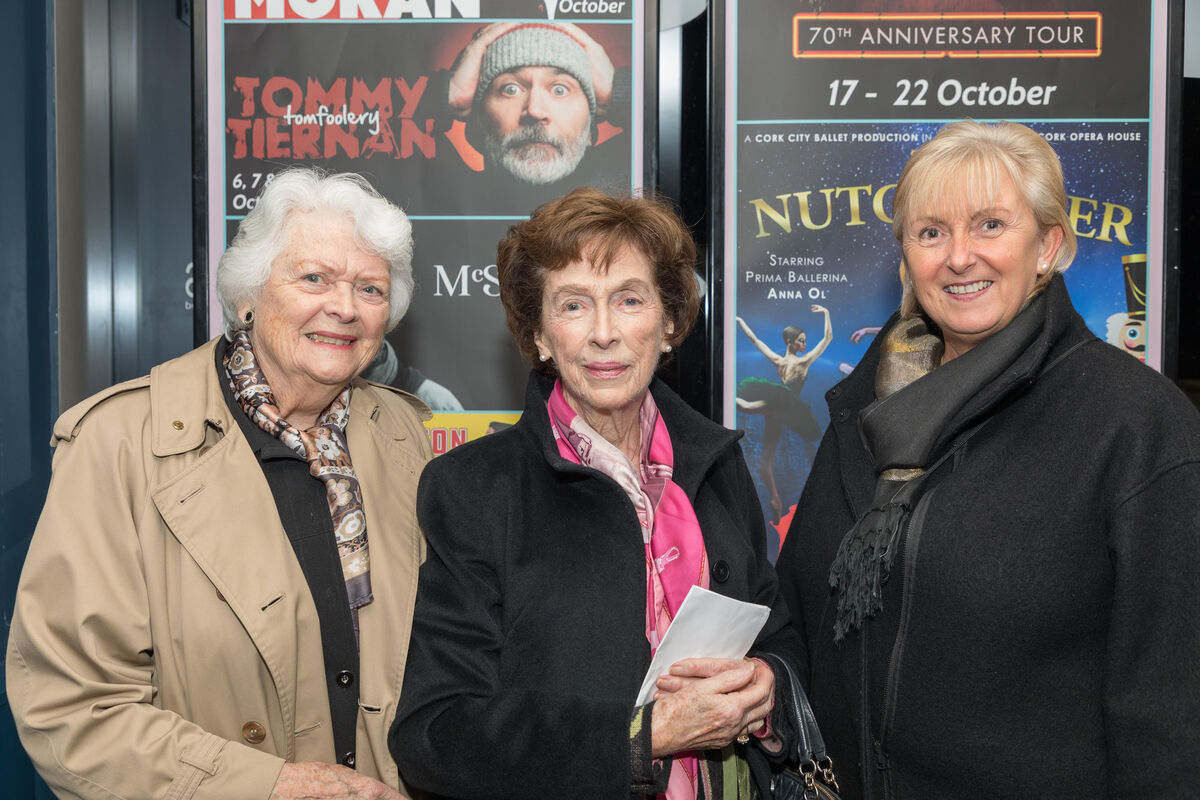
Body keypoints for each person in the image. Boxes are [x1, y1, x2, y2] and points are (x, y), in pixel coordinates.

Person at [775, 120, 1200, 798]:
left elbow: (1171, 712)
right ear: (907, 257)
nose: (959, 257)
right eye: (931, 232)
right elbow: (800, 606)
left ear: (1048, 246)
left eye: (991, 226)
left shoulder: (1137, 424)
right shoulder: (868, 406)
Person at [7, 169, 433, 800]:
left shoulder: (406, 434)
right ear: (247, 296)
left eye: (369, 288)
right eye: (314, 278)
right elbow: (73, 709)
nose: (345, 307)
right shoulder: (120, 441)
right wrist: (272, 787)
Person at [389, 187, 802, 798]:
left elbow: (777, 629)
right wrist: (643, 737)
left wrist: (768, 684)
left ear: (668, 322)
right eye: (574, 305)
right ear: (539, 335)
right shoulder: (474, 489)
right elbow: (437, 733)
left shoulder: (717, 464)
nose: (604, 333)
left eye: (629, 299)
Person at [426, 22, 631, 214]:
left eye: (560, 90)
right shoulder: (436, 196)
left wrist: (616, 91)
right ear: (476, 128)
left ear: (590, 131)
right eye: (511, 89)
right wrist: (451, 94)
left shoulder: (626, 194)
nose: (535, 111)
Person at [735, 306, 832, 522]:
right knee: (765, 462)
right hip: (781, 405)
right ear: (790, 342)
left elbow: (827, 338)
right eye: (801, 341)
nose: (805, 345)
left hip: (785, 406)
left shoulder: (794, 361)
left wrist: (826, 313)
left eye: (805, 341)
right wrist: (740, 321)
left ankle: (784, 501)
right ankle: (776, 501)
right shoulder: (793, 362)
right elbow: (756, 341)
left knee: (748, 409)